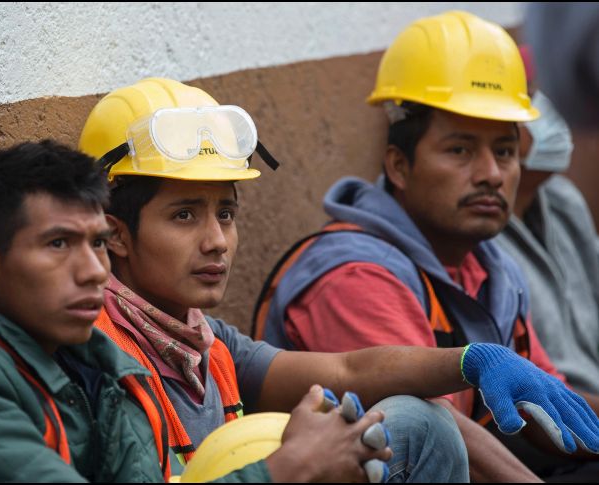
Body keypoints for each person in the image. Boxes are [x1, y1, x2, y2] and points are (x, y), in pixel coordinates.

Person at [79, 77, 599, 483]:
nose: (216, 240)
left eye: (227, 214)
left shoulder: (205, 341)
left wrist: (471, 361)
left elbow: (349, 368)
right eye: (185, 216)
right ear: (116, 234)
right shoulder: (94, 356)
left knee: (419, 422)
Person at [0, 141, 389, 482]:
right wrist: (286, 470)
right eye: (59, 245)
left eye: (97, 243)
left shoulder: (91, 350)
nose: (93, 271)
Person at [254, 10, 599, 482]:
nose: (491, 174)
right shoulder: (354, 275)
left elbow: (550, 407)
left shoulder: (489, 265)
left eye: (503, 151)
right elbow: (441, 435)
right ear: (398, 166)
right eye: (460, 150)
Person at [492, 49, 599, 479]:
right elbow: (531, 401)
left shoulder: (562, 199)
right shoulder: (472, 236)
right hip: (555, 442)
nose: (550, 115)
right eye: (534, 99)